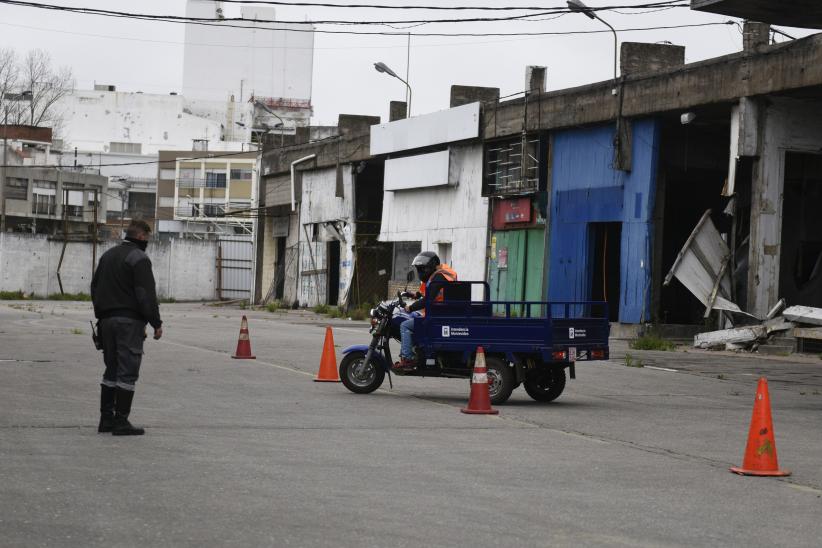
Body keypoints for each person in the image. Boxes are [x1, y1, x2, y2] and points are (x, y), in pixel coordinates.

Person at [91, 220, 163, 436]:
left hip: (106, 321)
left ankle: (106, 419)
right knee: (128, 370)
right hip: (128, 322)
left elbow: (95, 288)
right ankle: (121, 421)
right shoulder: (139, 258)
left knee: (111, 368)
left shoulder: (108, 256)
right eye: (148, 238)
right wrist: (156, 323)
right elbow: (145, 294)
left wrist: (102, 317)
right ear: (141, 236)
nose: (148, 242)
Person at [395, 251, 457, 370]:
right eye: (419, 269)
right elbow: (430, 292)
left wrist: (410, 307)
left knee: (405, 326)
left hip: (437, 316)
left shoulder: (439, 277)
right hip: (441, 313)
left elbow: (428, 299)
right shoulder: (440, 274)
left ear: (432, 266)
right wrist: (414, 295)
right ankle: (416, 350)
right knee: (415, 320)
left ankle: (408, 359)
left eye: (422, 269)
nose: (421, 272)